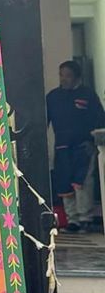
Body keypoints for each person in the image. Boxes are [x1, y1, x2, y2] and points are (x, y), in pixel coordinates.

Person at [46, 59, 105, 232]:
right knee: (64, 183)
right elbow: (44, 121)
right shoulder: (53, 97)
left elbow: (100, 119)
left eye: (68, 76)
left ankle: (85, 218)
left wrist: (94, 142)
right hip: (62, 147)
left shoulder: (88, 95)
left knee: (83, 182)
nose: (64, 79)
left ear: (77, 77)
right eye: (61, 75)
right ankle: (73, 220)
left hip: (83, 147)